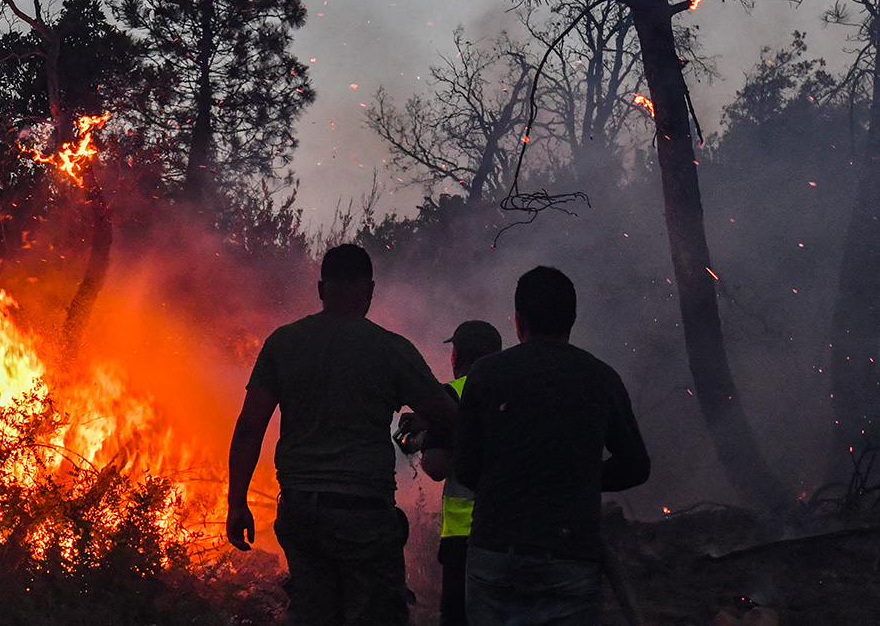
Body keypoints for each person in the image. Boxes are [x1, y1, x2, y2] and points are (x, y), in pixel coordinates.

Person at [226, 243, 457, 626]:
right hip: (364, 514)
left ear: (321, 289)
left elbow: (250, 426)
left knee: (311, 614)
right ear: (369, 291)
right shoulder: (391, 349)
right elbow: (448, 416)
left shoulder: (283, 343)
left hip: (300, 512)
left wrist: (236, 503)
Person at [453, 266, 650, 626]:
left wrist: (513, 475)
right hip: (569, 556)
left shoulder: (485, 374)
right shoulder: (600, 377)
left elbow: (465, 467)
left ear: (518, 321)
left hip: (496, 552)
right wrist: (579, 475)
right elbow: (636, 464)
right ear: (572, 319)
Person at [419, 320, 503, 626]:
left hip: (465, 539)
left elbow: (436, 465)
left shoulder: (452, 395)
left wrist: (428, 443)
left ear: (455, 356)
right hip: (516, 535)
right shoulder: (518, 392)